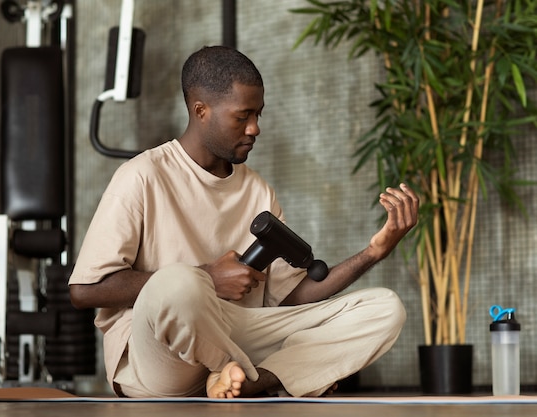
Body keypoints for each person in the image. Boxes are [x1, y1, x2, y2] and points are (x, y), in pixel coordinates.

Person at [69, 45, 419, 399]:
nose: (255, 128)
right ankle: (239, 370)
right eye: (243, 116)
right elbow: (84, 291)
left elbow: (290, 298)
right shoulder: (142, 175)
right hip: (163, 355)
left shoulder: (258, 190)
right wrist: (208, 277)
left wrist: (374, 252)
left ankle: (244, 381)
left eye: (259, 115)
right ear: (201, 110)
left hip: (235, 330)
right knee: (177, 283)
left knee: (384, 309)